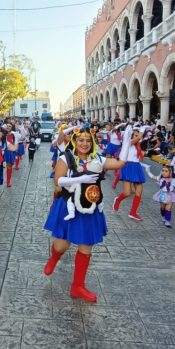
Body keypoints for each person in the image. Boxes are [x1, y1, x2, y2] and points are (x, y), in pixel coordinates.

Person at [42, 126, 127, 303]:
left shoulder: (98, 158)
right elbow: (58, 181)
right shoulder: (66, 158)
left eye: (88, 140)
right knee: (61, 246)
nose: (84, 143)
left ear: (92, 142)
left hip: (90, 207)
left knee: (86, 246)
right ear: (74, 141)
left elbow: (120, 163)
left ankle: (77, 286)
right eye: (81, 140)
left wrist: (127, 140)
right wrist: (80, 179)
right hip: (69, 207)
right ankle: (54, 257)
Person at [112, 126, 147, 221]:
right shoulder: (128, 143)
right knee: (127, 193)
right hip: (128, 167)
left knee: (139, 192)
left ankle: (133, 212)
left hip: (137, 167)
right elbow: (139, 137)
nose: (137, 137)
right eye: (135, 135)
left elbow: (140, 140)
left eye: (137, 135)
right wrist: (142, 130)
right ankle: (118, 200)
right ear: (131, 136)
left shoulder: (138, 146)